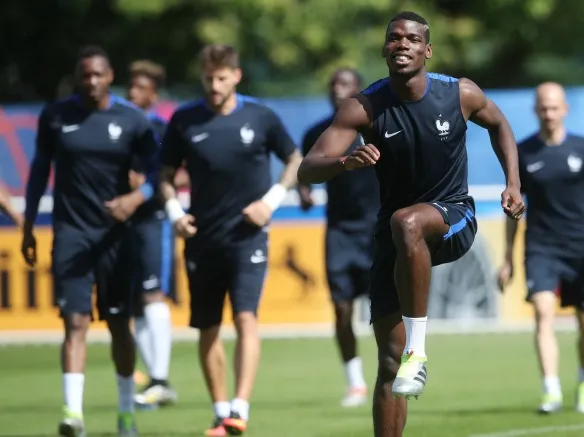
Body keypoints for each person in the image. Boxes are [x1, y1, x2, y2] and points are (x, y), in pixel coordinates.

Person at [298, 11, 525, 436]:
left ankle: (418, 353)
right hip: (394, 237)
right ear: (384, 48)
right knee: (388, 362)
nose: (401, 44)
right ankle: (406, 360)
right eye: (393, 38)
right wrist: (345, 162)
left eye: (411, 39)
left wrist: (513, 183)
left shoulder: (460, 93)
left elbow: (500, 126)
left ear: (427, 49)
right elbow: (307, 170)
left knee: (408, 222)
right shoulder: (363, 106)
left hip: (454, 217)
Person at [157, 44, 302, 437]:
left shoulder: (261, 116)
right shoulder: (185, 121)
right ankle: (220, 412)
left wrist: (270, 203)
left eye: (222, 78)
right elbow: (165, 176)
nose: (214, 85)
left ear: (236, 76)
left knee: (245, 318)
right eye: (208, 79)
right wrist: (175, 216)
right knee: (206, 327)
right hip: (202, 239)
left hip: (248, 237)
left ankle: (240, 407)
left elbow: (295, 160)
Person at [23, 45, 160, 437]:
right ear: (78, 77)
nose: (92, 81)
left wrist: (135, 198)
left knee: (119, 325)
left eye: (99, 74)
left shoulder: (132, 120)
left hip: (117, 239)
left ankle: (125, 414)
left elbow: (159, 172)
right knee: (75, 322)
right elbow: (38, 170)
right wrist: (30, 223)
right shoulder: (55, 116)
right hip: (71, 233)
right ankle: (73, 414)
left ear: (110, 75)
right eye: (86, 75)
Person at [497, 83, 584, 415]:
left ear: (565, 109)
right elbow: (514, 208)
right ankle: (551, 391)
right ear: (536, 110)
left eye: (554, 107)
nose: (549, 113)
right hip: (541, 247)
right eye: (543, 107)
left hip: (579, 247)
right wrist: (507, 257)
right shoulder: (523, 153)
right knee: (544, 314)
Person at [298, 68, 378, 408]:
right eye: (332, 85)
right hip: (340, 232)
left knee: (386, 309)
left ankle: (394, 371)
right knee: (342, 309)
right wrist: (303, 192)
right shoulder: (317, 133)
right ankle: (355, 382)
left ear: (358, 90)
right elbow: (306, 171)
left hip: (377, 229)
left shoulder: (377, 126)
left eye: (344, 85)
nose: (337, 90)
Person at [125, 59, 178, 408]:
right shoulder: (114, 123)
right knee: (134, 305)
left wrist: (142, 189)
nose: (133, 92)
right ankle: (154, 381)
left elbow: (176, 175)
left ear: (153, 94)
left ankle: (160, 379)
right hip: (120, 224)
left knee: (152, 296)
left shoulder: (160, 130)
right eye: (130, 85)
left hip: (152, 221)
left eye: (141, 87)